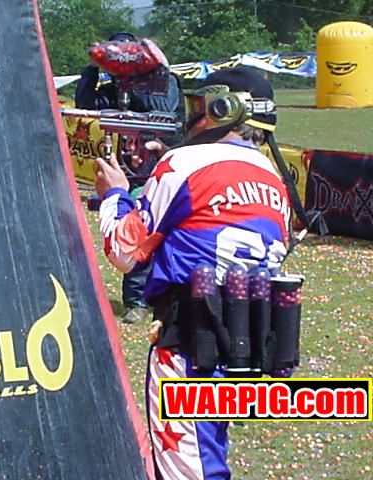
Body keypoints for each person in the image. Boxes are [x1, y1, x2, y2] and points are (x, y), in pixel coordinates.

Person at [94, 66, 289, 479]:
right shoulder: (275, 179)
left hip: (192, 344)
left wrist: (114, 194)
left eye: (203, 104)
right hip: (248, 344)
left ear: (224, 109)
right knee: (208, 458)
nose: (194, 113)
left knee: (192, 471)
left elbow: (125, 251)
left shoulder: (184, 163)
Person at [75, 32, 184, 324]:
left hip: (163, 162)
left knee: (163, 229)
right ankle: (136, 300)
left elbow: (165, 114)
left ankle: (164, 295)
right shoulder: (112, 89)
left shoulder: (163, 83)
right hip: (129, 168)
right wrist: (93, 69)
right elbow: (86, 104)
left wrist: (143, 81)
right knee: (135, 228)